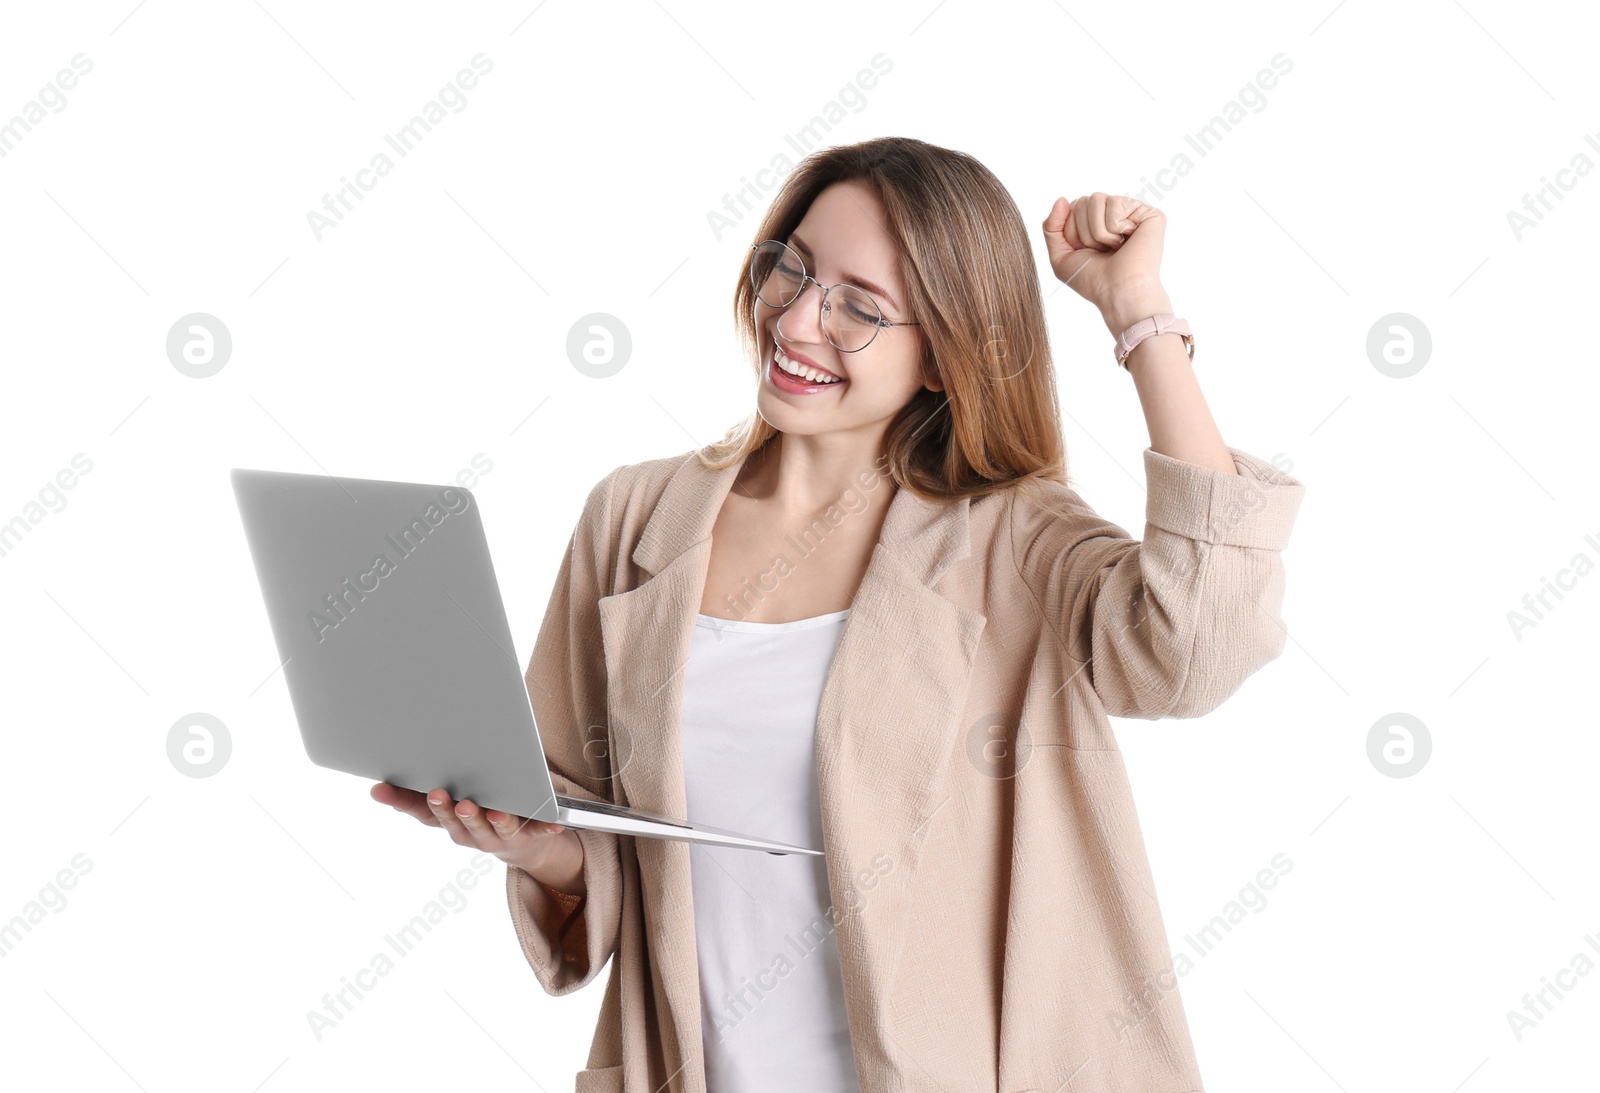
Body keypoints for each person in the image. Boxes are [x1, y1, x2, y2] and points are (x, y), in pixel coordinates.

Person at [372, 136, 1306, 1092]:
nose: (800, 320)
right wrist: (541, 847)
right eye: (794, 268)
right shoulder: (635, 519)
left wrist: (1142, 317)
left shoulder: (1014, 541)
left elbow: (1198, 650)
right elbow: (601, 837)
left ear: (945, 358)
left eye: (860, 308)